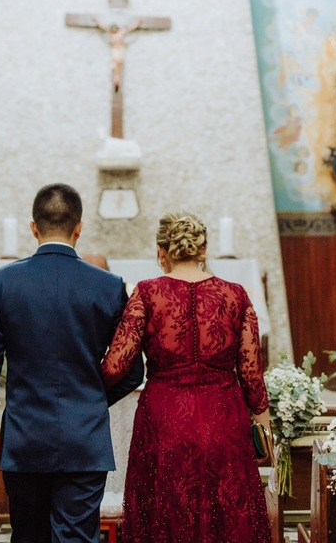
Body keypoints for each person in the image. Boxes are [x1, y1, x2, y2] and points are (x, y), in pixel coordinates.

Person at [0, 183, 144, 543]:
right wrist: (90, 400)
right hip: (85, 440)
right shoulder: (109, 286)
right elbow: (132, 370)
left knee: (28, 536)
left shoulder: (1, 283)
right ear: (79, 228)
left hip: (25, 438)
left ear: (34, 228)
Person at [100, 212, 272, 543]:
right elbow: (252, 373)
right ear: (203, 249)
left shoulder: (147, 293)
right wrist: (264, 432)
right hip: (223, 419)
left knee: (166, 514)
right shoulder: (236, 295)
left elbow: (116, 365)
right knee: (226, 515)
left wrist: (82, 387)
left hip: (164, 421)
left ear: (161, 250)